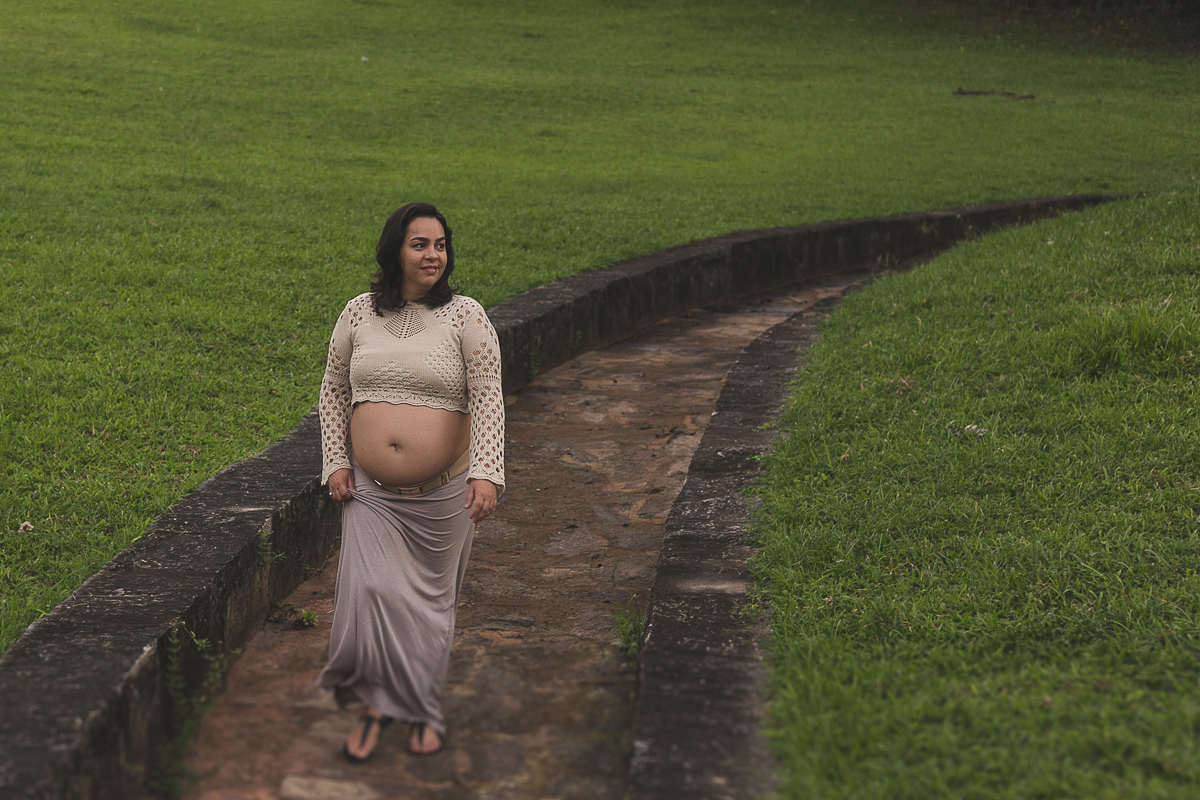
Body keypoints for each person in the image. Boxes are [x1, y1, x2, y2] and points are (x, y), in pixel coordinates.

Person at [315, 202, 505, 761]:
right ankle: (376, 707)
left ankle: (421, 708)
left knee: (427, 606)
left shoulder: (466, 316)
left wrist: (486, 471)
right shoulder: (357, 313)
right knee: (374, 594)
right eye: (420, 244)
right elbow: (333, 390)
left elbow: (488, 397)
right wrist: (336, 461)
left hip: (443, 493)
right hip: (371, 492)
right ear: (395, 250)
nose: (432, 255)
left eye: (440, 245)